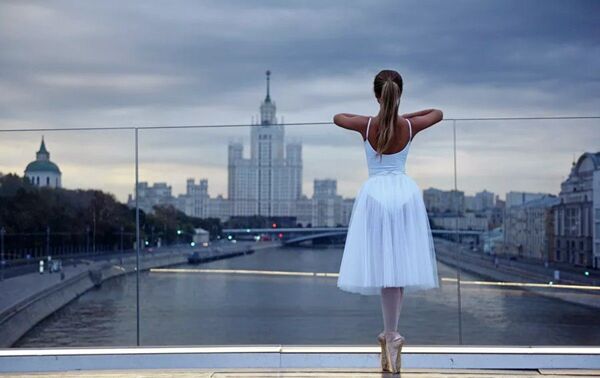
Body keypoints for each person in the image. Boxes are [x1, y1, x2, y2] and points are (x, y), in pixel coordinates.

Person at [333, 69, 443, 374]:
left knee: (386, 268)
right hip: (405, 195)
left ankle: (391, 335)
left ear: (376, 94)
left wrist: (379, 113)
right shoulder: (409, 125)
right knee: (398, 268)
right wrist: (403, 113)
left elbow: (337, 117)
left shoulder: (367, 125)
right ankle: (391, 333)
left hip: (377, 196)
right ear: (400, 93)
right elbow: (438, 113)